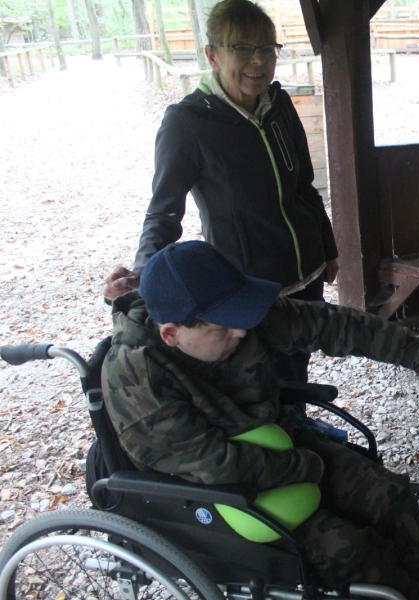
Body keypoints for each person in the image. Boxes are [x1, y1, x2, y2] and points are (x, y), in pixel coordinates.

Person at [102, 241, 419, 599]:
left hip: (276, 450)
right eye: (224, 326)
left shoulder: (232, 318)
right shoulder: (138, 379)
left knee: (389, 496)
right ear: (171, 335)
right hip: (211, 497)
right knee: (349, 548)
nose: (242, 330)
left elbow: (334, 324)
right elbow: (217, 464)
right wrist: (307, 466)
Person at [102, 0, 336, 384]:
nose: (257, 61)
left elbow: (304, 186)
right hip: (248, 285)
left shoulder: (280, 106)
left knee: (297, 368)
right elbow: (164, 212)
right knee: (259, 380)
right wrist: (144, 277)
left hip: (307, 272)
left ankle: (299, 430)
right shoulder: (187, 122)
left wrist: (328, 248)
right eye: (241, 48)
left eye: (266, 49)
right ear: (212, 54)